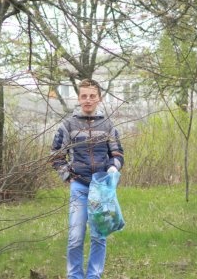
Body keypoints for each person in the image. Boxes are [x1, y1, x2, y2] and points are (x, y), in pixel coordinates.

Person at [50, 78, 124, 279]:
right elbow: (56, 154)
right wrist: (68, 177)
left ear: (99, 98)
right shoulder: (68, 125)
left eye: (92, 96)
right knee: (75, 238)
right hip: (79, 188)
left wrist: (112, 168)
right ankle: (74, 276)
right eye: (84, 96)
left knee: (99, 237)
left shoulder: (108, 125)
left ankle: (94, 276)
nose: (88, 100)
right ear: (79, 98)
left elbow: (117, 154)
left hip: (101, 190)